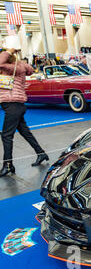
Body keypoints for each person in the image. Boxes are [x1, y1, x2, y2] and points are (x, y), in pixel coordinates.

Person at [0, 48, 48, 177]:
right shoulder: (19, 67)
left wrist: (9, 51)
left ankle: (8, 165)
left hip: (12, 105)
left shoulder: (9, 68)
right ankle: (41, 153)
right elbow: (30, 69)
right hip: (18, 105)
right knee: (24, 131)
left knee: (6, 135)